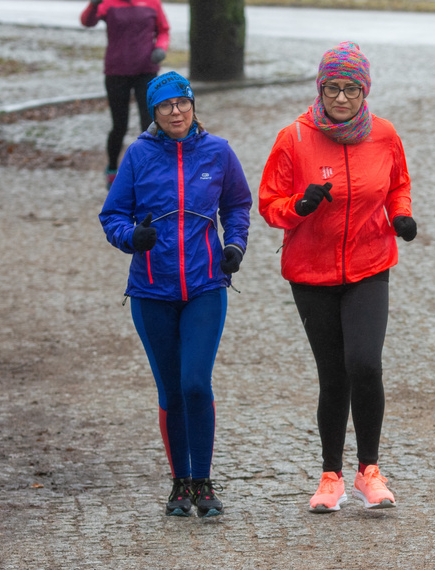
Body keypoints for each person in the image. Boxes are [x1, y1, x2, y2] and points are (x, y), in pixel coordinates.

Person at [258, 41, 417, 513]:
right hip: (311, 272)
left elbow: (399, 184)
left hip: (370, 264)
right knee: (334, 374)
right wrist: (299, 207)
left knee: (365, 363)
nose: (342, 98)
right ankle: (331, 477)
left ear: (365, 91)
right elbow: (269, 205)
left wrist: (401, 216)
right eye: (333, 88)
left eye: (351, 88)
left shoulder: (384, 134)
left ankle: (370, 470)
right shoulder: (294, 138)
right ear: (320, 88)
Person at [99, 71, 252, 517]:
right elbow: (112, 216)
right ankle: (179, 484)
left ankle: (203, 482)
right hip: (152, 290)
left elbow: (237, 205)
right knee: (170, 389)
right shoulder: (138, 156)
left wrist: (234, 244)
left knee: (194, 383)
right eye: (166, 106)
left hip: (206, 285)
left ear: (192, 105)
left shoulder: (218, 151)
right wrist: (133, 237)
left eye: (182, 103)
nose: (176, 112)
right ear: (155, 112)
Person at [81, 0, 170, 190]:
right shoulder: (108, 3)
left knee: (150, 124)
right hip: (116, 71)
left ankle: (150, 171)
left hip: (146, 70)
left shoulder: (152, 3)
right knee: (119, 125)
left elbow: (163, 30)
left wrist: (161, 48)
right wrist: (93, 5)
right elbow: (88, 22)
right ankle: (112, 168)